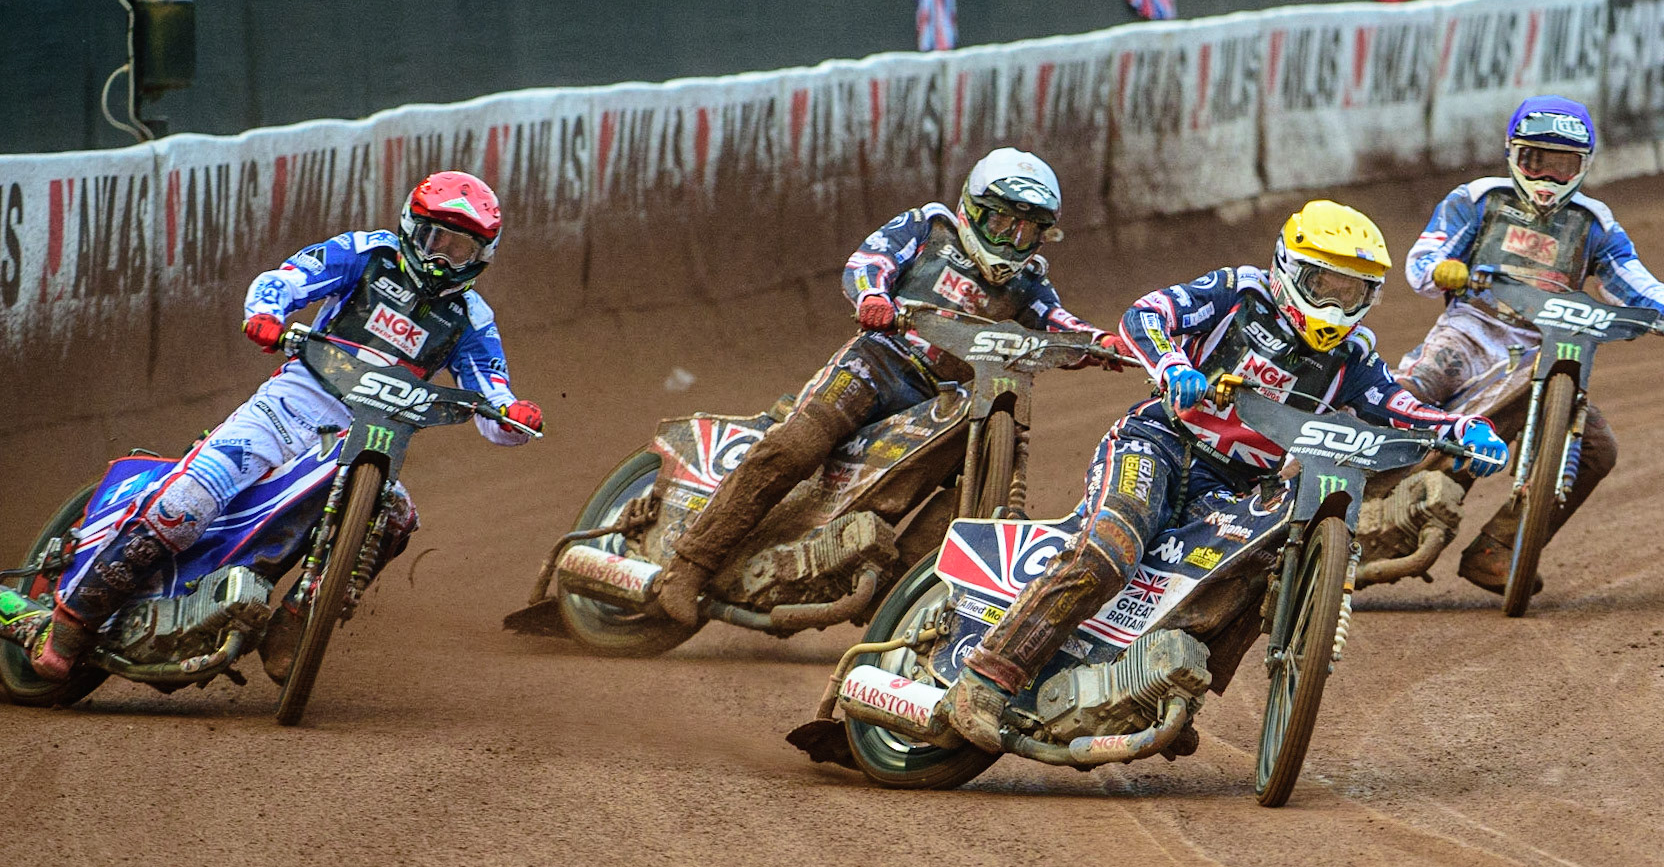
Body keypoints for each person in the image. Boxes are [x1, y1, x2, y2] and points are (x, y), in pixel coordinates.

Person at [939, 200, 1510, 750]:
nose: (1335, 307)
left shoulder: (1353, 357)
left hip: (1233, 486)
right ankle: (987, 678)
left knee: (1259, 572)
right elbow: (1146, 314)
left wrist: (1463, 429)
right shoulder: (1239, 293)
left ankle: (1168, 693)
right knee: (1111, 549)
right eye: (1323, 287)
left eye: (1352, 292)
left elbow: (1399, 406)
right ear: (1288, 269)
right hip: (1159, 443)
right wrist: (1172, 363)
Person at [24, 171, 545, 684]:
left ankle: (299, 620)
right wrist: (266, 313)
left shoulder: (471, 319)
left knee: (397, 516)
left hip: (360, 437)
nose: (440, 257)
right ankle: (71, 624)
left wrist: (515, 416)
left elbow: (492, 403)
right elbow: (285, 280)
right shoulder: (368, 253)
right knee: (186, 506)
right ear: (412, 227)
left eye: (459, 249)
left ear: (481, 257)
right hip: (285, 410)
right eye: (435, 239)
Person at [653, 148, 1123, 627]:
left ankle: (891, 601)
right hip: (878, 364)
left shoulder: (1030, 284)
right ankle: (691, 562)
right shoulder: (929, 229)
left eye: (1026, 231)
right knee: (798, 446)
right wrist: (873, 296)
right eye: (1001, 223)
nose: (1011, 240)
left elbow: (1058, 324)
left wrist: (1102, 343)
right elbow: (870, 260)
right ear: (972, 211)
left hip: (947, 400)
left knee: (967, 488)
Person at [1395, 96, 1664, 594]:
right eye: (1535, 162)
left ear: (1582, 167)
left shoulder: (1594, 223)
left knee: (1596, 450)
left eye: (1561, 166)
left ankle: (1499, 550)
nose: (1545, 179)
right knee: (1400, 395)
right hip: (1471, 331)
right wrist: (1439, 269)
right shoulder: (1480, 199)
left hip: (1545, 347)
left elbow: (1630, 278)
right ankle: (1319, 511)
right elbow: (1426, 251)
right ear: (1514, 155)